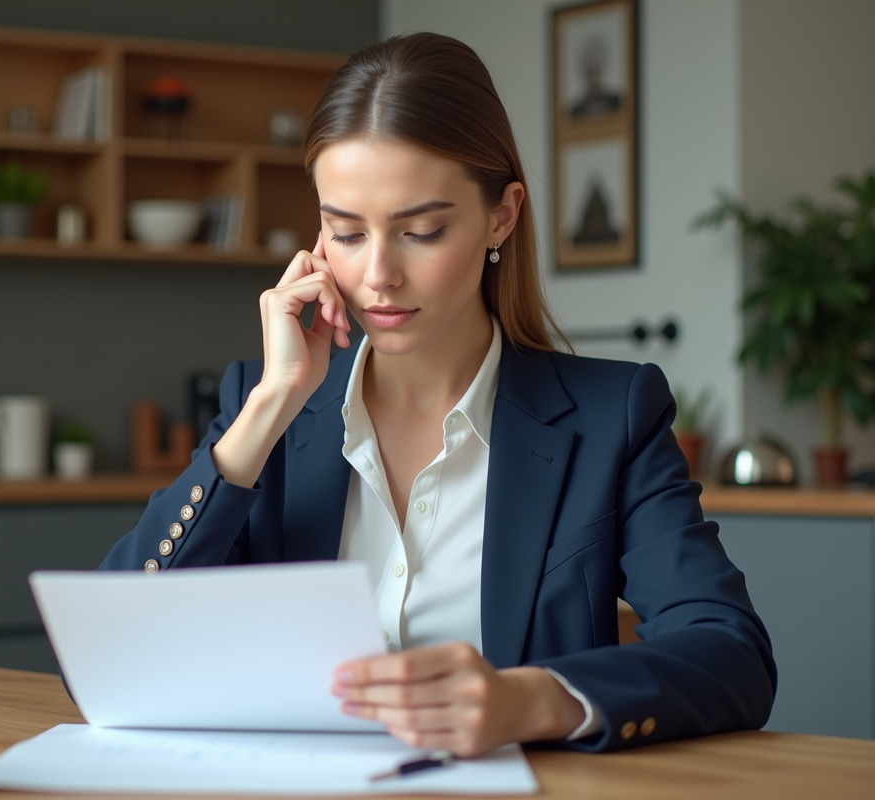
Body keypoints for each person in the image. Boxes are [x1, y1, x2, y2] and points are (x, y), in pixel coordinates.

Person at [100, 32, 775, 756]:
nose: (379, 274)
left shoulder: (615, 417)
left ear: (501, 215)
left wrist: (531, 699)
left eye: (421, 231)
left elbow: (729, 653)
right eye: (346, 233)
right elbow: (115, 654)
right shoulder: (265, 412)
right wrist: (269, 407)